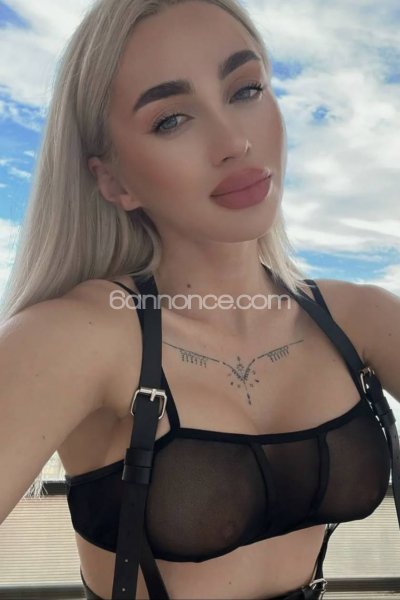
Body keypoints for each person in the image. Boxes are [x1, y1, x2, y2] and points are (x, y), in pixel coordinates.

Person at [0, 0, 399, 599]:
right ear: (114, 180)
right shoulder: (74, 337)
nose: (235, 141)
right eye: (171, 120)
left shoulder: (358, 318)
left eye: (246, 90)